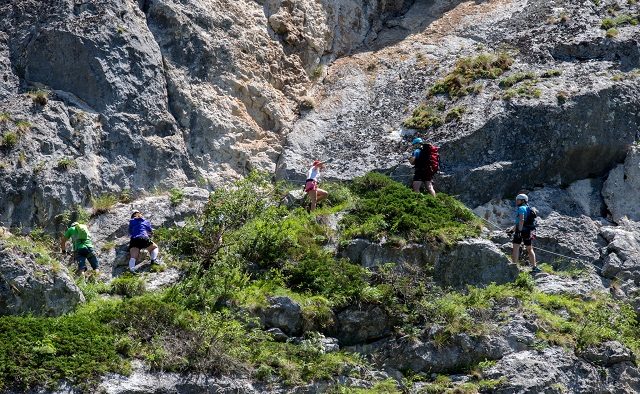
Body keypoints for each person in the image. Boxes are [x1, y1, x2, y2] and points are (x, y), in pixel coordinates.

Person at [508, 193, 538, 272]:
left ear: (523, 201)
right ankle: (534, 267)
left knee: (516, 247)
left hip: (522, 230)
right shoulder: (529, 208)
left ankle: (514, 266)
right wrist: (512, 231)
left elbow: (521, 220)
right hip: (530, 231)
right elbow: (519, 223)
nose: (517, 201)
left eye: (518, 200)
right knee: (529, 248)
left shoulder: (521, 208)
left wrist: (519, 231)